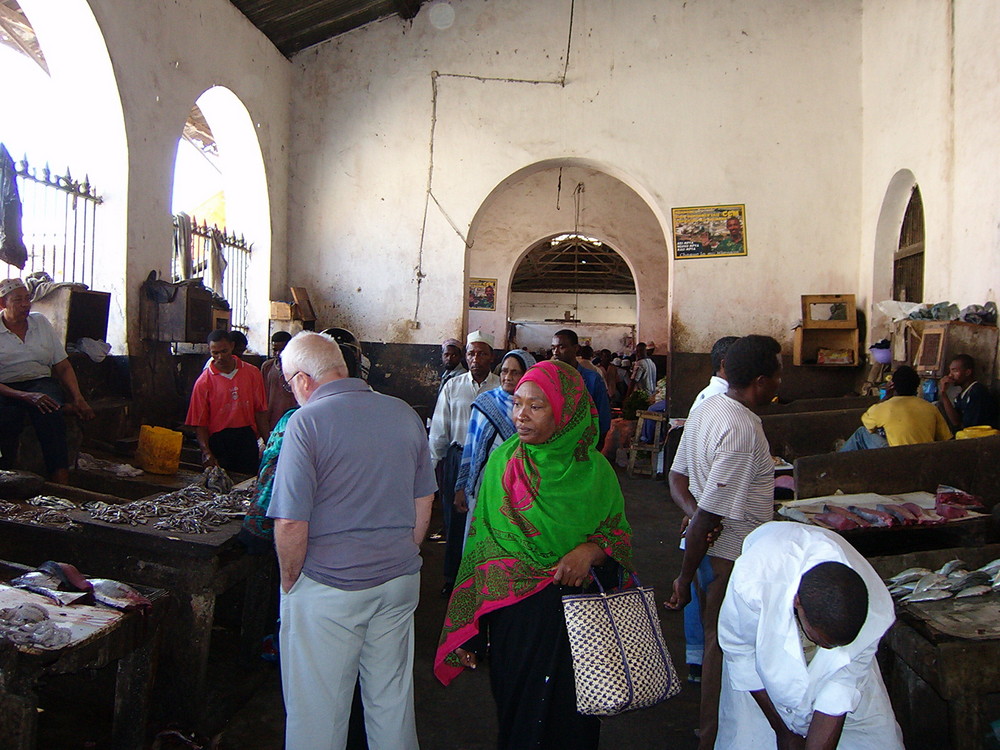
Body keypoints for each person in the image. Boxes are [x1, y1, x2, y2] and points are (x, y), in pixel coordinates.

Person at [434, 360, 633, 750]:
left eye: (536, 406)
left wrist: (591, 552)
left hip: (581, 620)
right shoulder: (504, 464)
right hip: (517, 618)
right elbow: (483, 545)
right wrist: (473, 627)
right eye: (517, 403)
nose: (520, 415)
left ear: (566, 410)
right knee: (518, 716)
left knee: (574, 719)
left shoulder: (596, 473)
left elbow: (618, 539)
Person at [268, 331, 435, 750]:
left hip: (330, 587)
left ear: (303, 380)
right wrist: (401, 553)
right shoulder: (402, 413)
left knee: (317, 714)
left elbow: (290, 523)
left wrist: (292, 582)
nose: (292, 394)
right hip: (398, 584)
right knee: (391, 702)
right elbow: (423, 499)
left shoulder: (305, 423)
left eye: (290, 385)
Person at [665, 334, 782, 750]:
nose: (779, 384)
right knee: (721, 644)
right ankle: (710, 734)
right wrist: (683, 575)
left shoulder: (707, 407)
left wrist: (695, 516)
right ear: (762, 381)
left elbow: (677, 478)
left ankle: (716, 728)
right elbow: (712, 514)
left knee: (722, 640)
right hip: (727, 556)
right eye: (777, 375)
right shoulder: (740, 427)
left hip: (708, 549)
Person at [716, 522, 904, 749]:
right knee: (753, 740)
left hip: (846, 675)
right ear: (798, 602)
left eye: (835, 646)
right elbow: (741, 653)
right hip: (757, 668)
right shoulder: (753, 584)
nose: (829, 650)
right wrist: (783, 731)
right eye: (821, 642)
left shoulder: (878, 611)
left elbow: (841, 684)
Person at [680, 334, 738, 683]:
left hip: (702, 509)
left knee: (702, 581)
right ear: (725, 365)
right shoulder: (721, 402)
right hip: (709, 513)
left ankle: (698, 657)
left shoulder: (712, 398)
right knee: (706, 585)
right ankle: (702, 660)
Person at [0, 277, 95, 483]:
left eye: (27, 298)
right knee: (7, 417)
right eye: (18, 300)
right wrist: (26, 396)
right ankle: (6, 476)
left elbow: (62, 365)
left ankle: (60, 476)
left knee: (49, 411)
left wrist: (78, 398)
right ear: (3, 304)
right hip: (6, 387)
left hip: (40, 382)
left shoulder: (40, 323)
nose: (26, 304)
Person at [429, 330, 499, 596]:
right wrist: (432, 465)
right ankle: (452, 577)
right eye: (471, 353)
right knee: (454, 521)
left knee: (487, 518)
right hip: (457, 459)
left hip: (491, 462)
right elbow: (439, 430)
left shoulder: (500, 387)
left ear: (491, 357)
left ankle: (482, 575)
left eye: (482, 353)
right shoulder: (453, 387)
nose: (475, 358)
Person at [452, 349, 536, 545]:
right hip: (483, 484)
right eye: (505, 371)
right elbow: (471, 447)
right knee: (479, 537)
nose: (507, 377)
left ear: (528, 374)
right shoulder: (484, 402)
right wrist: (462, 486)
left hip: (518, 489)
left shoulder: (535, 409)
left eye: (516, 372)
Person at [186, 329, 269, 475]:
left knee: (248, 483)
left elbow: (259, 411)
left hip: (246, 438)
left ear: (232, 346)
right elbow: (200, 423)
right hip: (219, 441)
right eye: (215, 353)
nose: (220, 357)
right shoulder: (203, 382)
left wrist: (269, 442)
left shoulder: (252, 373)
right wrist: (206, 452)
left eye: (224, 351)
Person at [840, 365, 952, 450]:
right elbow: (945, 438)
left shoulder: (884, 407)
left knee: (861, 433)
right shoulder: (930, 407)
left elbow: (867, 425)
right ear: (917, 387)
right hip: (925, 456)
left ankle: (837, 462)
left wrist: (886, 396)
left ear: (893, 386)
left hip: (896, 456)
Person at [551, 329, 611, 447]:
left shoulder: (592, 379)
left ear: (576, 348)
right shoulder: (549, 378)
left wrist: (596, 446)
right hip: (554, 444)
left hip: (582, 444)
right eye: (553, 348)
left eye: (561, 347)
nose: (556, 352)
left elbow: (603, 417)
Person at [939, 353, 998, 430]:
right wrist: (943, 393)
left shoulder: (976, 392)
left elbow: (968, 427)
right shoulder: (962, 394)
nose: (950, 375)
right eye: (950, 371)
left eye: (955, 371)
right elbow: (955, 421)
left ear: (967, 372)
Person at [261, 331, 298, 431]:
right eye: (275, 350)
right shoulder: (267, 367)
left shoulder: (299, 368)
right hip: (272, 419)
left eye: (282, 350)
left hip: (292, 418)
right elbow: (263, 395)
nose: (278, 354)